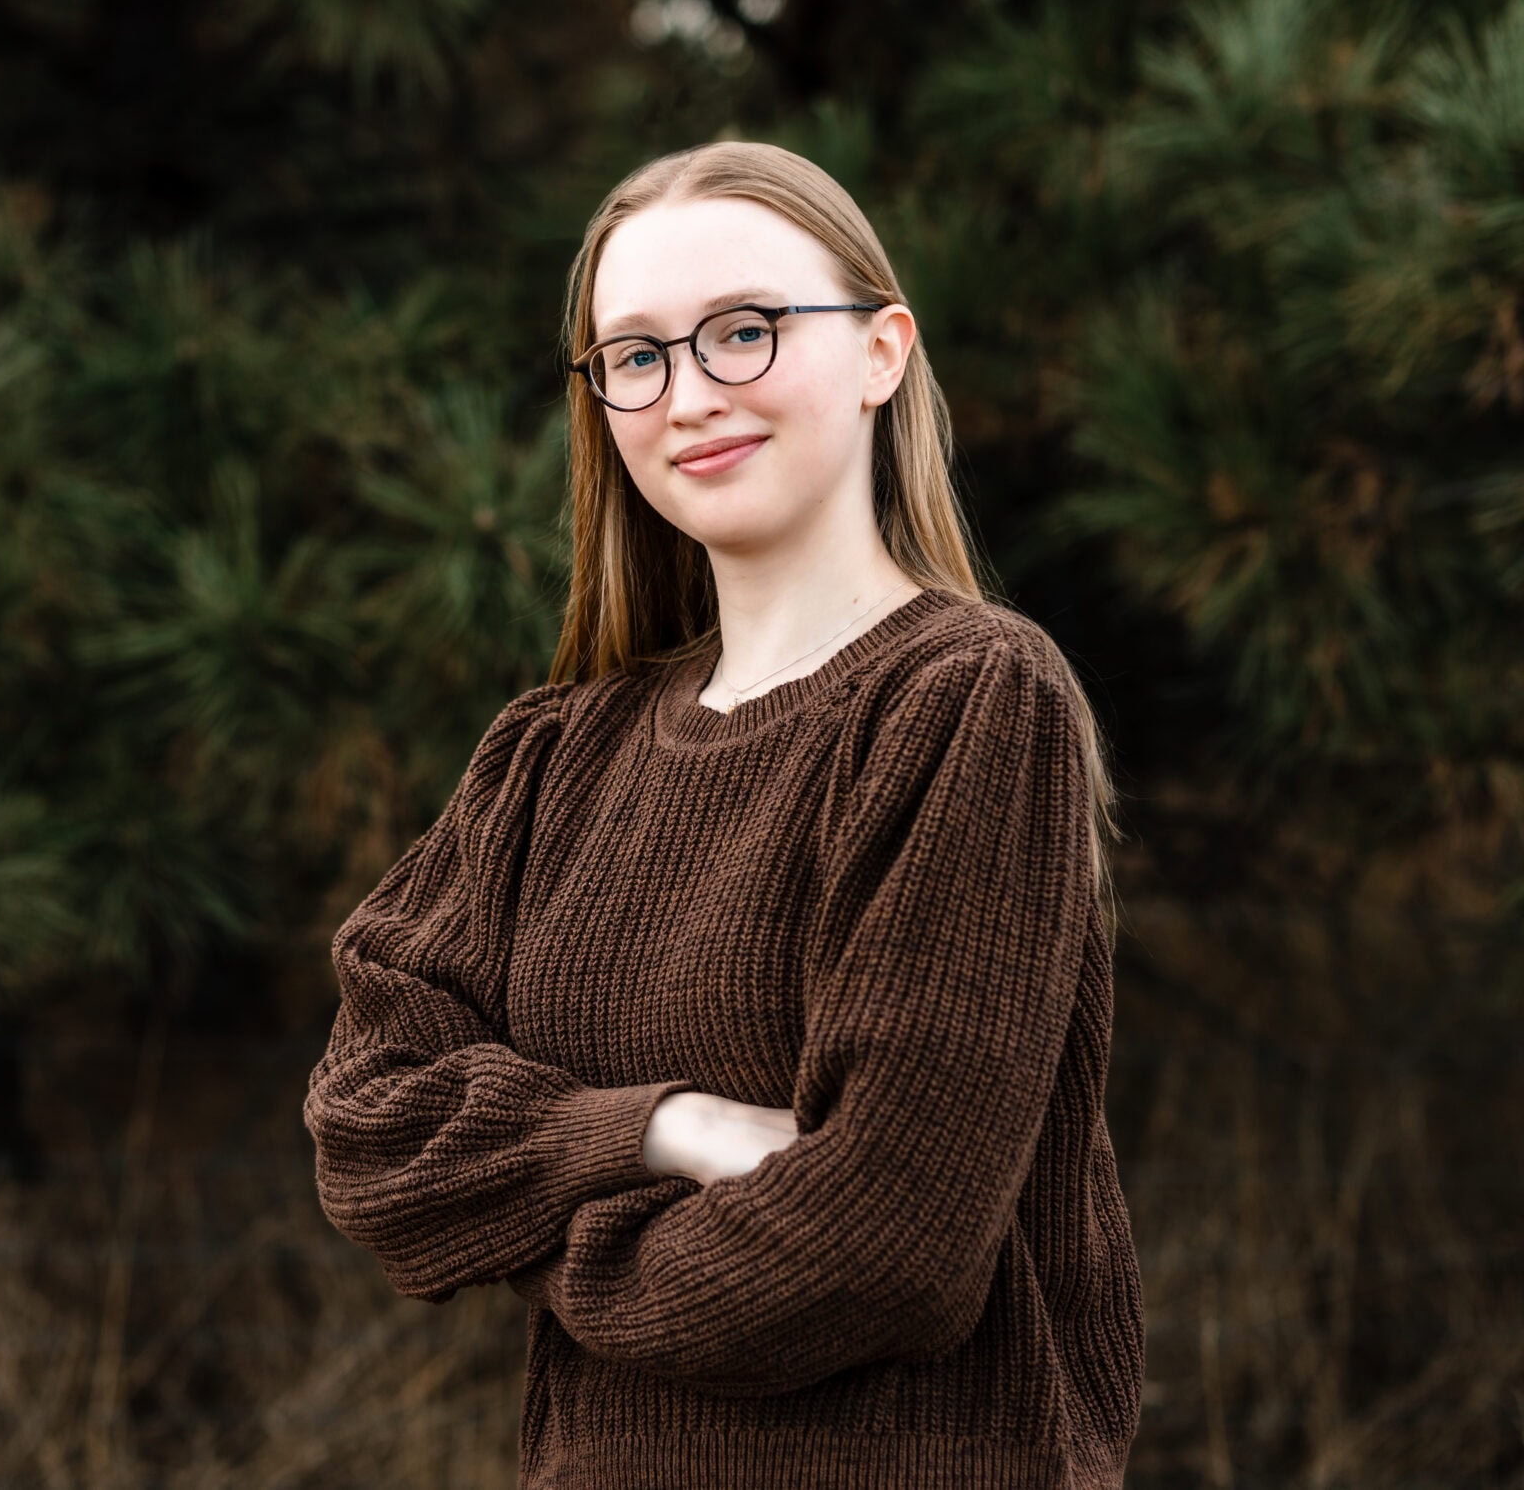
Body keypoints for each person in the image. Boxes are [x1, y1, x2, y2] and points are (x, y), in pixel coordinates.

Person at [302, 140, 1144, 1488]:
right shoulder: (553, 755)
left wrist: (538, 1239)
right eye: (636, 357)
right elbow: (367, 1122)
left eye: (742, 332)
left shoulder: (967, 700)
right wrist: (660, 1130)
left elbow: (886, 1251)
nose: (688, 395)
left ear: (882, 353)